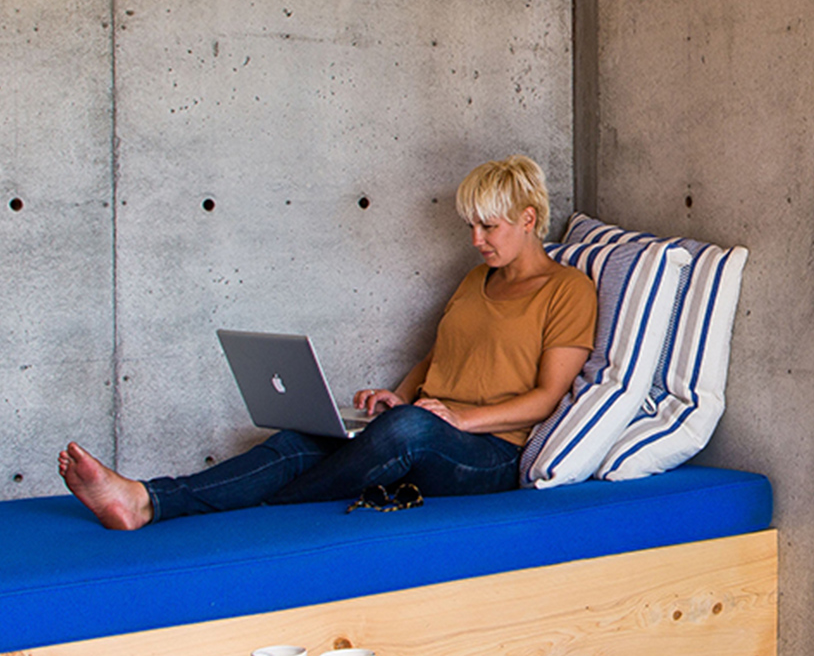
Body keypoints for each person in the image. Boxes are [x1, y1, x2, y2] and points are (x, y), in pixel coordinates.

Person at [58, 156, 595, 530]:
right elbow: (441, 356)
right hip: (423, 423)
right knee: (298, 440)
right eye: (470, 227)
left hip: (489, 454)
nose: (476, 240)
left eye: (489, 227)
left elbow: (547, 397)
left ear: (529, 219)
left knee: (405, 431)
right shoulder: (475, 281)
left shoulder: (567, 290)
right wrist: (399, 397)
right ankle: (145, 500)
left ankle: (265, 507)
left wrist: (452, 421)